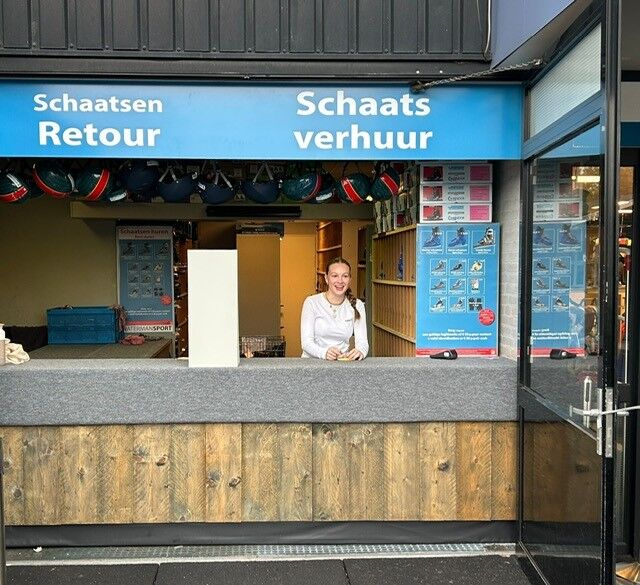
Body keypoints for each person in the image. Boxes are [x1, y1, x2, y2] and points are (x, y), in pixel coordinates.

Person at [301, 257, 369, 360]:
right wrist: (324, 353)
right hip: (312, 364)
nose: (340, 281)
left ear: (350, 279)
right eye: (335, 276)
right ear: (326, 278)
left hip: (340, 363)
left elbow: (363, 343)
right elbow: (306, 343)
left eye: (345, 276)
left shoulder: (357, 305)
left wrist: (360, 352)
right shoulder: (311, 303)